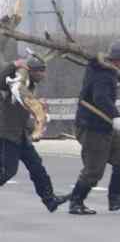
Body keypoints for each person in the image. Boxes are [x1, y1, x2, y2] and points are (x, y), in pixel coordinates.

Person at [69, 42, 120, 215]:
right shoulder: (103, 74)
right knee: (94, 170)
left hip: (103, 127)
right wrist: (115, 115)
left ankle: (115, 200)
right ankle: (76, 203)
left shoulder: (104, 69)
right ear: (118, 60)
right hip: (92, 128)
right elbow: (100, 98)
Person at [0, 56, 69, 212]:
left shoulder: (29, 87)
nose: (43, 74)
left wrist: (37, 125)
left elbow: (21, 116)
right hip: (6, 135)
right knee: (7, 171)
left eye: (44, 70)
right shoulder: (13, 84)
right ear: (31, 71)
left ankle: (50, 200)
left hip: (21, 135)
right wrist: (13, 63)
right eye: (40, 71)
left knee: (37, 167)